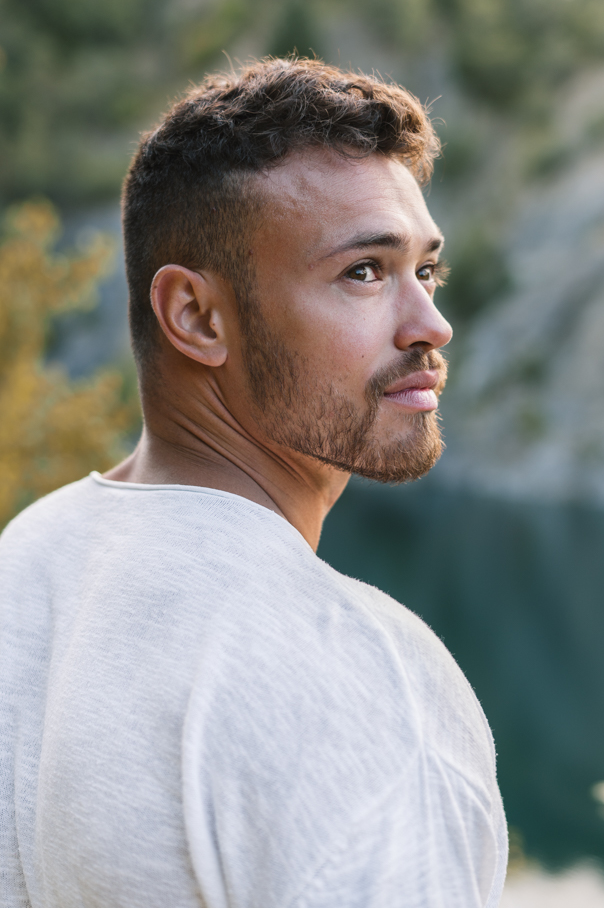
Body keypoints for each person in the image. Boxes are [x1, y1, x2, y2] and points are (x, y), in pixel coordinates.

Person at [0, 58, 507, 908]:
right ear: (196, 317)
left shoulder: (34, 553)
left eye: (426, 269)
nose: (431, 324)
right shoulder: (358, 674)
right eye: (364, 272)